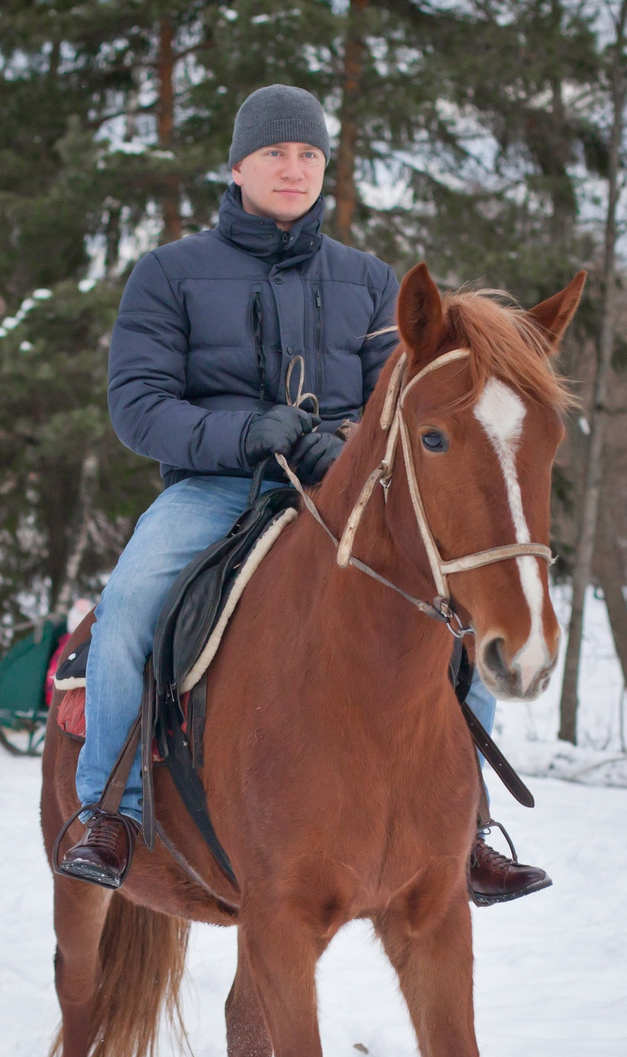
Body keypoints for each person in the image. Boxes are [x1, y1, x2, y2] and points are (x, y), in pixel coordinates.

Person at [58, 85, 550, 905]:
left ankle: (466, 832)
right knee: (128, 612)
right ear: (238, 165)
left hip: (338, 493)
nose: (294, 169)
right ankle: (111, 816)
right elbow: (138, 409)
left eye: (310, 156)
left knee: (453, 620)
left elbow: (400, 405)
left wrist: (343, 444)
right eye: (277, 154)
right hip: (213, 490)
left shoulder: (367, 279)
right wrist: (243, 433)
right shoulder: (168, 274)